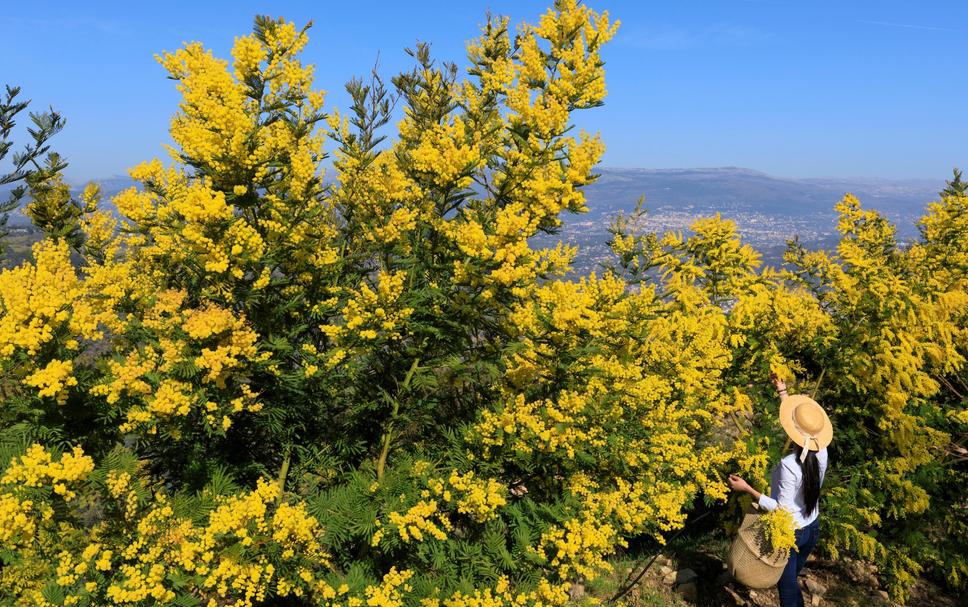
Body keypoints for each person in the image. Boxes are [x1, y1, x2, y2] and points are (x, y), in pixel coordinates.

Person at [728, 373, 833, 607]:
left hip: (790, 533)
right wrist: (782, 391)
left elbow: (780, 510)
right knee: (791, 582)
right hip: (812, 527)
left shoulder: (788, 466)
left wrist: (746, 488)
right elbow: (796, 424)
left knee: (786, 591)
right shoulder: (822, 452)